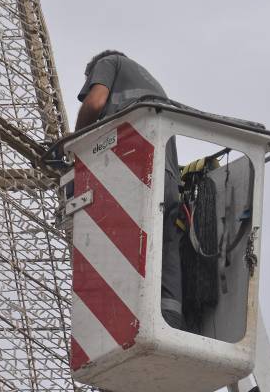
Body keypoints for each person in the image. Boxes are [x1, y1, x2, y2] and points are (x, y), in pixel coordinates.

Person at [75, 50, 186, 330]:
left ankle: (120, 321)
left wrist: (74, 147)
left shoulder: (108, 62)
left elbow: (95, 102)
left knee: (117, 244)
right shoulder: (152, 87)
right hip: (167, 180)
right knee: (164, 245)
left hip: (132, 172)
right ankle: (170, 318)